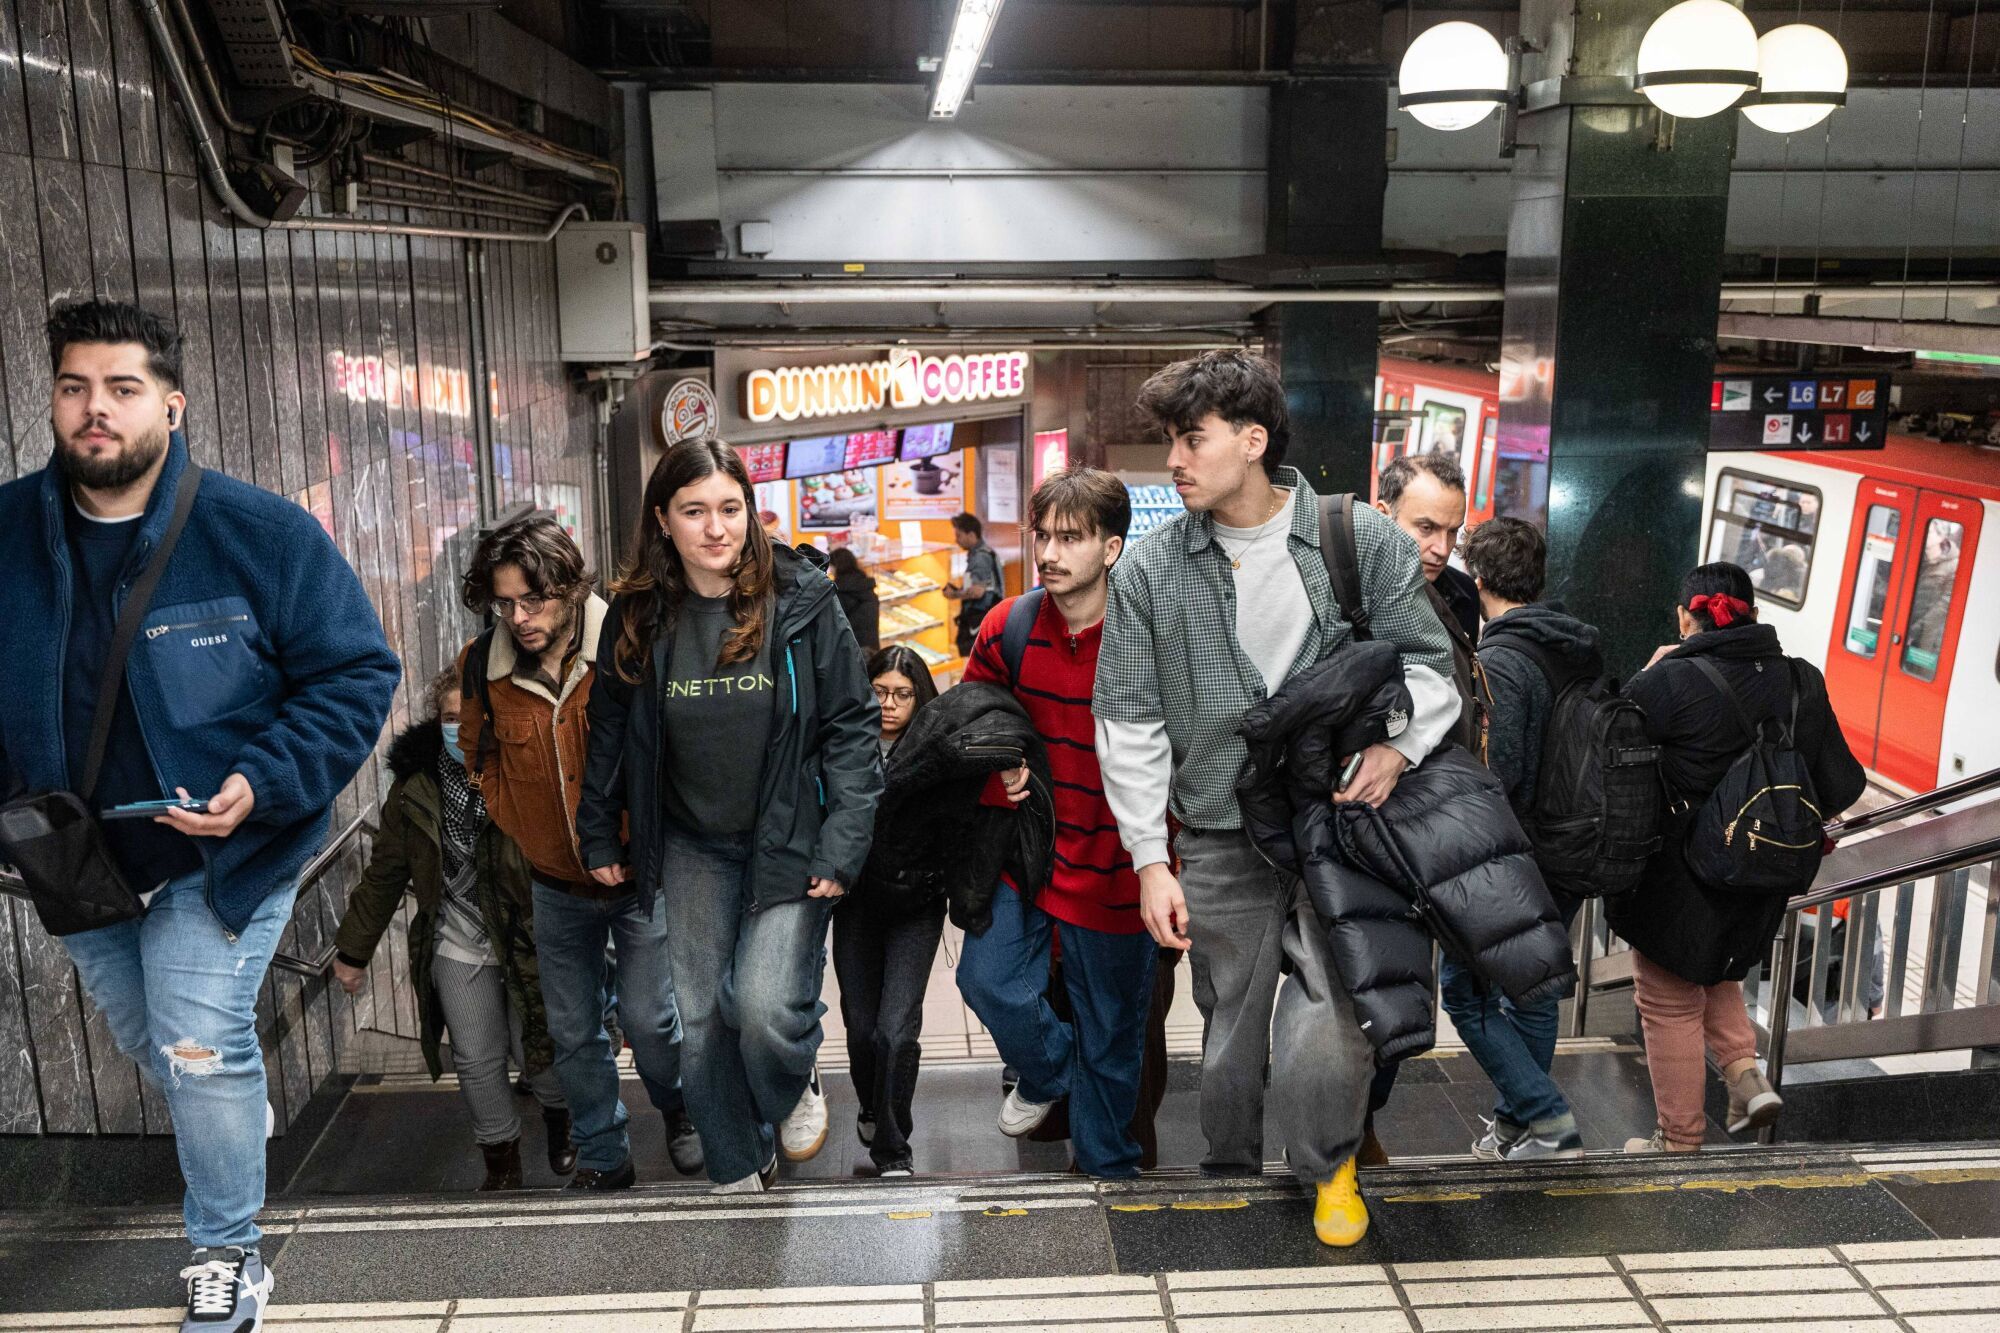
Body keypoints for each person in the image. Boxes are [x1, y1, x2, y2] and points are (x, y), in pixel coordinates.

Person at [0, 300, 398, 1331]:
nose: (96, 410)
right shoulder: (4, 534)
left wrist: (263, 781)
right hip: (80, 863)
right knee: (165, 1039)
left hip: (222, 856)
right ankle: (225, 1100)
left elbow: (357, 674)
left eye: (123, 389)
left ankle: (228, 1250)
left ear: (170, 406)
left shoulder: (257, 532)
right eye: (75, 387)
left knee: (191, 1041)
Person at [1093, 350, 1460, 1247]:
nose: (1174, 460)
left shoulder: (1356, 539)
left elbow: (1430, 662)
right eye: (1170, 441)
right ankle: (1230, 1165)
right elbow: (1130, 722)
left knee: (1335, 1006)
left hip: (1344, 824)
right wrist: (1150, 858)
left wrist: (1397, 745)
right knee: (1230, 1025)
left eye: (1192, 439)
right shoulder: (1148, 572)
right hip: (1218, 832)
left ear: (1252, 440)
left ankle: (1328, 1163)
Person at [578, 439, 883, 1193]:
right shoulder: (640, 615)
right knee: (702, 1020)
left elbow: (852, 723)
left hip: (788, 835)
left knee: (765, 1008)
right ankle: (734, 1164)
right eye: (694, 511)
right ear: (662, 519)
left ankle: (790, 1079)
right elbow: (611, 728)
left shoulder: (802, 599)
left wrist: (842, 842)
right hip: (689, 842)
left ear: (750, 511)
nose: (717, 528)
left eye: (729, 507)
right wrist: (596, 828)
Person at [458, 515, 701, 1190]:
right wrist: (521, 824)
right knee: (573, 1033)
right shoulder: (486, 665)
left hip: (637, 878)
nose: (519, 616)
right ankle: (604, 1154)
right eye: (504, 603)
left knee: (652, 1020)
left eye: (533, 600)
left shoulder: (628, 645)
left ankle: (679, 1105)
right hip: (554, 884)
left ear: (570, 586)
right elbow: (479, 755)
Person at [1608, 563, 1866, 1152]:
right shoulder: (1802, 679)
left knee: (1667, 998)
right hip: (1761, 875)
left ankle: (1678, 1145)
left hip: (1680, 877)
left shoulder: (1666, 682)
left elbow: (1610, 750)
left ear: (1684, 616)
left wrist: (1648, 676)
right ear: (1753, 613)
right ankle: (1745, 1077)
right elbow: (1841, 784)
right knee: (1718, 969)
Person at [957, 467, 1158, 1179]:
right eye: (1041, 534)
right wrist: (998, 764)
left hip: (1119, 868)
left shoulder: (1148, 635)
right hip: (1029, 853)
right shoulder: (1007, 626)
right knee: (986, 980)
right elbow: (967, 725)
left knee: (1115, 1037)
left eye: (1069, 537)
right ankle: (1046, 1071)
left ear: (1111, 548)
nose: (1049, 550)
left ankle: (1108, 1175)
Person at [333, 668, 573, 1190]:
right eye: (448, 717)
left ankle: (561, 1123)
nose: (459, 726)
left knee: (539, 1046)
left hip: (527, 938)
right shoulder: (415, 787)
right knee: (475, 1055)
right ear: (434, 722)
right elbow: (387, 870)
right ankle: (501, 1164)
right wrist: (353, 950)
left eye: (471, 717)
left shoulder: (525, 771)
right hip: (457, 940)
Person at [1447, 516, 1597, 1160]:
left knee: (1464, 990)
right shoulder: (1579, 645)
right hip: (1574, 842)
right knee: (1533, 993)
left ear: (1479, 582)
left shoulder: (1503, 660)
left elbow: (1502, 771)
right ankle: (1516, 1128)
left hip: (1519, 853)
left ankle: (1547, 1116)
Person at [832, 645, 943, 1177]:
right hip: (854, 902)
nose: (890, 705)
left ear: (919, 698)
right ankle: (874, 1106)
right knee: (860, 1030)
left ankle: (894, 1147)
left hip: (917, 905)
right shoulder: (843, 745)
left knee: (896, 1029)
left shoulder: (938, 750)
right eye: (879, 693)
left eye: (902, 694)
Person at [1375, 451, 1484, 754]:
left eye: (1452, 531)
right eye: (1426, 528)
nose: (1442, 548)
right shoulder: (1353, 590)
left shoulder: (1463, 593)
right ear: (1384, 515)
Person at [942, 511, 1003, 658]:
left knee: (973, 660)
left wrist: (954, 594)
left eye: (959, 536)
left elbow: (978, 592)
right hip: (980, 618)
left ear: (971, 535)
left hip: (978, 619)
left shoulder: (980, 557)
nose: (956, 540)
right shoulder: (978, 553)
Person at [828, 546, 881, 652]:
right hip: (872, 647)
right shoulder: (866, 585)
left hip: (854, 651)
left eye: (831, 567)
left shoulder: (840, 592)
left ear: (837, 567)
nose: (831, 571)